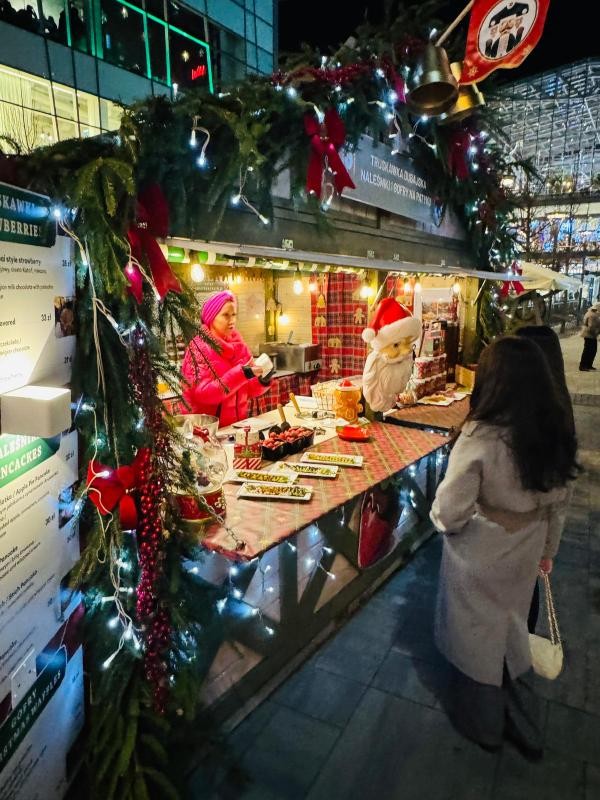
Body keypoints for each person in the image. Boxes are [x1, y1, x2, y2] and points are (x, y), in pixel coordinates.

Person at [430, 336, 578, 758]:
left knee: (475, 637)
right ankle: (515, 704)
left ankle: (486, 725)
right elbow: (559, 506)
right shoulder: (553, 432)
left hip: (479, 554)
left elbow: (450, 510)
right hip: (526, 549)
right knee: (511, 627)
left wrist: (442, 523)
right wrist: (547, 550)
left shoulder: (480, 436)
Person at [516, 325, 575, 632]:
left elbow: (560, 493)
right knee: (526, 594)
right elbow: (562, 492)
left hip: (513, 537)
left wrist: (548, 550)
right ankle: (515, 655)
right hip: (532, 536)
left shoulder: (514, 410)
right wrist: (548, 550)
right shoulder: (560, 410)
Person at [181, 290, 273, 427]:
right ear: (211, 318)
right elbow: (204, 394)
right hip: (206, 430)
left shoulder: (239, 345)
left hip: (236, 427)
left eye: (234, 315)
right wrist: (241, 374)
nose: (232, 321)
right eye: (226, 315)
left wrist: (262, 380)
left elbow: (248, 390)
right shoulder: (199, 347)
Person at [579, 302, 600, 371]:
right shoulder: (592, 315)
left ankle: (588, 365)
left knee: (591, 350)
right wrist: (596, 333)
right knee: (589, 350)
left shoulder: (591, 313)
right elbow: (591, 327)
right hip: (590, 335)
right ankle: (583, 366)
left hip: (589, 335)